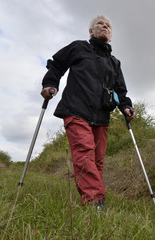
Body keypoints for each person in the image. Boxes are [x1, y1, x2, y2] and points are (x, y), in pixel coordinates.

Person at [40, 15, 136, 210]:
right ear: (91, 31)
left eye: (108, 25)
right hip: (76, 110)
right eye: (100, 24)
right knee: (84, 154)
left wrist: (126, 106)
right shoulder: (79, 47)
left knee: (97, 161)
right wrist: (50, 84)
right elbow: (57, 64)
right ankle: (94, 203)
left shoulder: (114, 63)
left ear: (111, 35)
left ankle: (96, 197)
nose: (105, 26)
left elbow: (120, 91)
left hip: (102, 117)